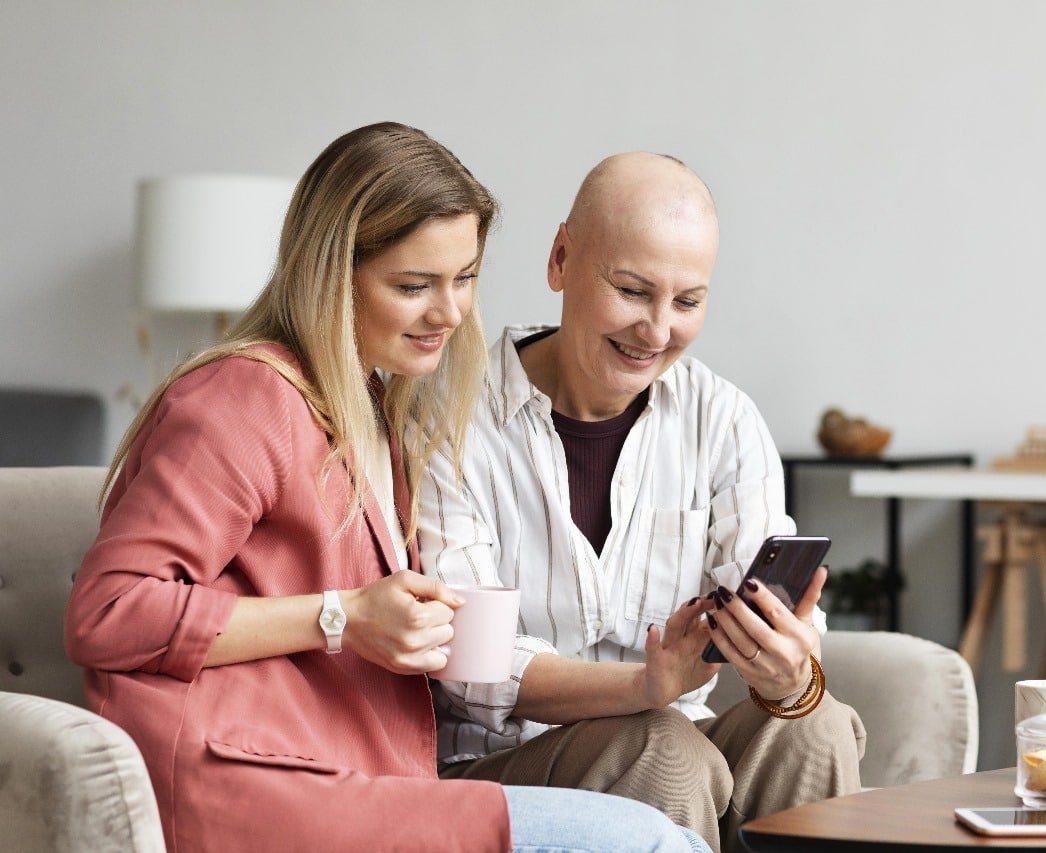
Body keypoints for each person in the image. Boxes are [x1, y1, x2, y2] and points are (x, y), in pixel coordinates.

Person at [64, 123, 708, 853]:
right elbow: (107, 612)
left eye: (464, 277)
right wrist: (341, 617)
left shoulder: (375, 409)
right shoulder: (239, 399)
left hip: (360, 780)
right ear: (331, 273)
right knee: (651, 843)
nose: (450, 312)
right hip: (251, 788)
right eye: (413, 286)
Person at [418, 152, 867, 853]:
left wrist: (790, 666)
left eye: (687, 302)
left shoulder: (722, 420)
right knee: (661, 747)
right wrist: (642, 686)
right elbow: (474, 667)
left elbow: (768, 619)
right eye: (632, 291)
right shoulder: (446, 415)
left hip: (678, 750)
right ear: (561, 259)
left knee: (815, 723)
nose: (658, 332)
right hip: (501, 770)